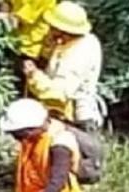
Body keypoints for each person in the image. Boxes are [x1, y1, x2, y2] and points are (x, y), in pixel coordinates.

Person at [23, 1, 104, 131]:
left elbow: (59, 93)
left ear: (64, 31)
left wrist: (34, 75)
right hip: (58, 111)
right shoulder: (67, 43)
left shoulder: (81, 52)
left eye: (53, 28)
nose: (49, 30)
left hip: (74, 118)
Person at [0, 0, 58, 88]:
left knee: (16, 88)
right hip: (11, 43)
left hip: (28, 50)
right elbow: (7, 5)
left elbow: (14, 22)